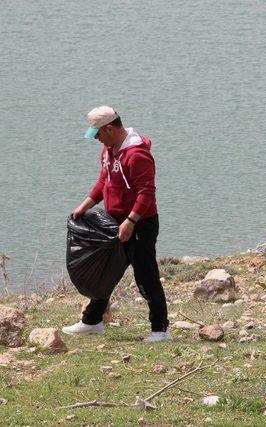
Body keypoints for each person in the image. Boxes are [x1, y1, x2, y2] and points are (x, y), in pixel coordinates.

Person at [62, 106, 171, 342]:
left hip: (140, 224)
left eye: (98, 134)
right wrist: (85, 205)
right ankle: (92, 321)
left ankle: (160, 329)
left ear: (109, 128)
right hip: (115, 223)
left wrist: (131, 221)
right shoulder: (109, 150)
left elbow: (147, 192)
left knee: (146, 275)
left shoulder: (137, 155)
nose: (97, 139)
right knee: (106, 271)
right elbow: (104, 181)